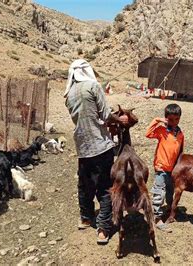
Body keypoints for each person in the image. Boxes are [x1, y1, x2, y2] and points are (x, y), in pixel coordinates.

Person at [64, 59, 128, 244]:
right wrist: (120, 120)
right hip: (100, 146)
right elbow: (105, 115)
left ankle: (85, 218)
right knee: (105, 187)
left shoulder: (69, 94)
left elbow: (85, 116)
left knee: (85, 186)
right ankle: (103, 228)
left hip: (82, 147)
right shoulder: (93, 86)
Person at [145, 104, 184, 232]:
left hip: (172, 170)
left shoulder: (180, 134)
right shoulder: (162, 131)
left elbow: (180, 152)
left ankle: (168, 208)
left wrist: (179, 167)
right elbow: (148, 133)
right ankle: (157, 218)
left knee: (170, 191)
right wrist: (157, 120)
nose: (174, 122)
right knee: (158, 192)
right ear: (166, 118)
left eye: (176, 119)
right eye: (171, 119)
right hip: (161, 168)